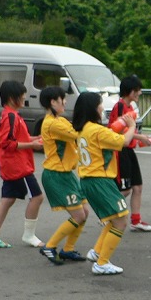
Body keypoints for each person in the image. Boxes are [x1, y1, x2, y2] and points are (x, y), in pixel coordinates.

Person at [74, 92, 137, 275]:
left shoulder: (84, 129)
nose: (102, 108)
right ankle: (102, 263)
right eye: (100, 104)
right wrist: (132, 125)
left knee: (114, 218)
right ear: (93, 108)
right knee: (121, 220)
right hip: (99, 180)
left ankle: (97, 252)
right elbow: (125, 141)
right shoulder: (96, 130)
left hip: (89, 180)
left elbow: (110, 137)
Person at [38, 86, 89, 264]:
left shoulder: (59, 120)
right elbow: (77, 134)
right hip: (56, 175)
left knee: (84, 212)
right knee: (79, 215)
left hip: (66, 174)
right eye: (62, 99)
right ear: (53, 102)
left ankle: (68, 249)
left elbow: (76, 129)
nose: (65, 102)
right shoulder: (53, 124)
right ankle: (50, 246)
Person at [0, 80, 44, 248]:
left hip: (12, 166)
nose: (25, 97)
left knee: (7, 200)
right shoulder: (10, 116)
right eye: (22, 95)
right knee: (37, 197)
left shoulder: (12, 115)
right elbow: (6, 143)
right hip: (18, 167)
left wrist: (34, 139)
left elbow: (18, 138)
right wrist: (32, 144)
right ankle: (29, 235)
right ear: (12, 98)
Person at [108, 75, 151, 232]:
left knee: (138, 187)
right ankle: (110, 214)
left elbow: (129, 131)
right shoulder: (120, 106)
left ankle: (136, 220)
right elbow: (118, 130)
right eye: (137, 90)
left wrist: (141, 139)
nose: (139, 93)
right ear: (130, 91)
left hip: (129, 150)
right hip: (120, 151)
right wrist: (139, 137)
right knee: (125, 189)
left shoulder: (130, 108)